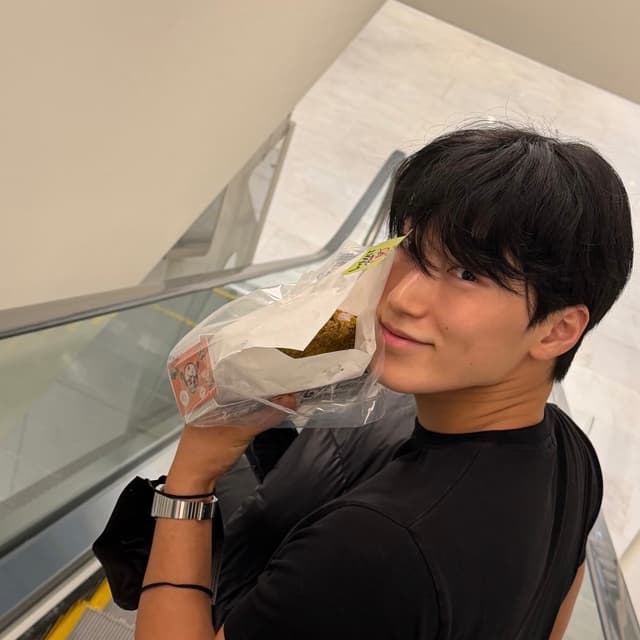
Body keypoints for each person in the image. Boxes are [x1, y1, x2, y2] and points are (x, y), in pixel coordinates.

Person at [133, 124, 634, 639]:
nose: (401, 299)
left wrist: (192, 475)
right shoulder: (573, 457)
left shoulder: (374, 545)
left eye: (467, 275)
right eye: (413, 249)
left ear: (558, 330)